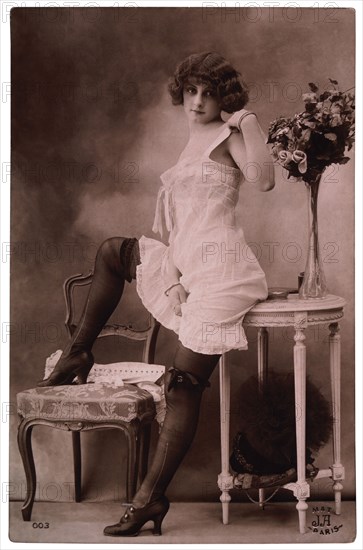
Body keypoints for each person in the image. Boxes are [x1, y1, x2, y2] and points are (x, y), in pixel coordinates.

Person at [37, 51, 275, 536]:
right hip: (190, 265)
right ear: (182, 93)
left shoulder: (231, 134)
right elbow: (184, 224)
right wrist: (173, 276)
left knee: (183, 387)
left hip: (224, 272)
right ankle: (78, 353)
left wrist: (248, 120)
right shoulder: (193, 141)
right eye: (191, 91)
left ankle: (149, 500)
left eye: (210, 93)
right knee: (111, 252)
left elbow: (265, 179)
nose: (199, 101)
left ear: (223, 97)